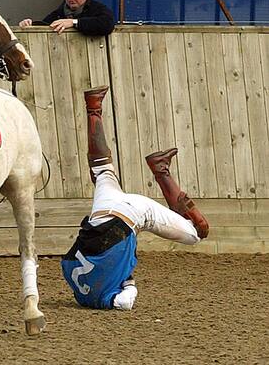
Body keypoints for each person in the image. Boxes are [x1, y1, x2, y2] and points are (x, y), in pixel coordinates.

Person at [61, 85, 209, 310]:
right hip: (101, 213)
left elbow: (125, 302)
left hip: (133, 214)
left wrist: (128, 284)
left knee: (198, 233)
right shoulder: (69, 272)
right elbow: (73, 258)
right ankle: (93, 108)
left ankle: (161, 171)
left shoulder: (105, 298)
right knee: (102, 171)